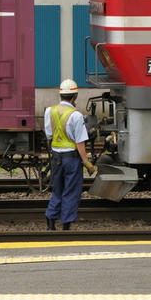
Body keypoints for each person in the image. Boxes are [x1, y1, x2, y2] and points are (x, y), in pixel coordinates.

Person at [44, 79, 97, 231]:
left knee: (57, 190)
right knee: (71, 191)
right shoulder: (76, 116)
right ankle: (65, 226)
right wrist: (87, 162)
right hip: (71, 159)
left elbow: (49, 135)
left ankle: (50, 221)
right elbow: (80, 143)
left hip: (56, 158)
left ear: (61, 95)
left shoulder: (50, 111)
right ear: (74, 97)